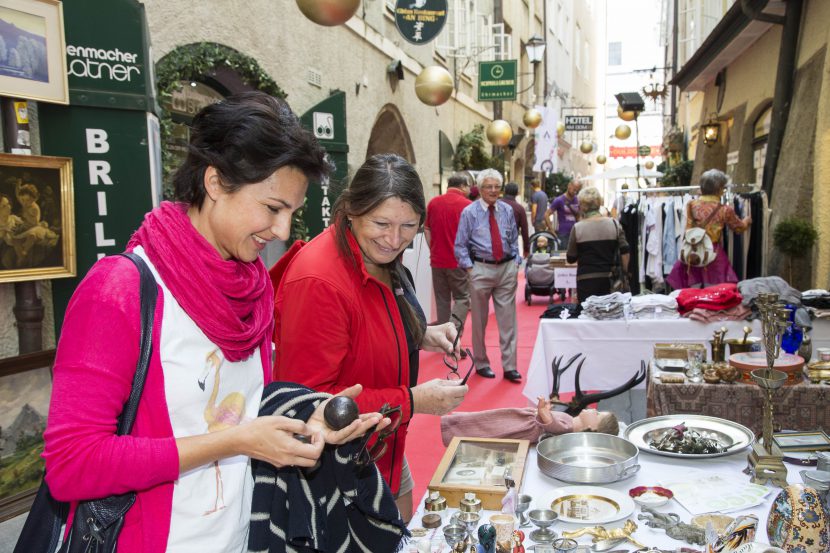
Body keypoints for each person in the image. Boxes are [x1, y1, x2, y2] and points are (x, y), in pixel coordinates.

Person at [42, 92, 386, 553]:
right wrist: (236, 441)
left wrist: (304, 420)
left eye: (292, 213)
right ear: (216, 182)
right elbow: (72, 465)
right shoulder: (120, 290)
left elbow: (242, 408)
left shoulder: (251, 288)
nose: (282, 231)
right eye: (272, 208)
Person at [272, 153, 469, 523]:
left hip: (382, 446)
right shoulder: (319, 281)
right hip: (338, 471)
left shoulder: (374, 253)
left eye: (409, 226)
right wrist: (412, 400)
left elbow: (365, 327)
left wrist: (421, 334)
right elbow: (309, 405)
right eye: (381, 223)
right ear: (350, 210)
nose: (394, 239)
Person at [454, 168, 522, 383]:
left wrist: (515, 261)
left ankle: (510, 366)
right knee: (479, 321)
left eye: (496, 186)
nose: (493, 190)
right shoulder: (469, 212)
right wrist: (471, 270)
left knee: (508, 321)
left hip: (506, 269)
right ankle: (482, 362)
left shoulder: (507, 210)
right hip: (480, 269)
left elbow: (513, 237)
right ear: (480, 189)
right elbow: (460, 245)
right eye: (488, 186)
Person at [666, 168, 751, 289]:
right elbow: (738, 228)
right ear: (719, 189)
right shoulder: (725, 210)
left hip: (693, 249)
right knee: (716, 290)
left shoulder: (691, 205)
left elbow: (688, 228)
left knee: (692, 290)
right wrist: (747, 221)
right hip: (712, 253)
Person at [440, 397, 620, 445]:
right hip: (523, 419)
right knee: (489, 420)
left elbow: (554, 428)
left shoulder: (569, 428)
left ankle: (454, 429)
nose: (594, 410)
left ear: (591, 428)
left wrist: (543, 411)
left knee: (489, 426)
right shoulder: (570, 420)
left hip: (523, 426)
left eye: (597, 415)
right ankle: (455, 425)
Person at [425, 172, 472, 344]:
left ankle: (443, 336)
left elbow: (427, 230)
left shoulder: (433, 203)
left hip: (437, 260)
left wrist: (434, 250)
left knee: (442, 299)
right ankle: (453, 335)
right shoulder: (468, 205)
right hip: (458, 261)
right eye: (468, 186)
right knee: (462, 298)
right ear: (463, 186)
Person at [566, 186, 629, 302]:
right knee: (611, 315)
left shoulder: (577, 228)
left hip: (586, 280)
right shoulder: (614, 225)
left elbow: (571, 258)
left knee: (587, 316)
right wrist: (624, 273)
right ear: (599, 203)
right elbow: (625, 252)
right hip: (611, 281)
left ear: (582, 206)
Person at [545, 179, 581, 249]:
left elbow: (578, 216)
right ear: (569, 186)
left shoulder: (577, 200)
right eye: (574, 189)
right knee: (563, 255)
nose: (575, 192)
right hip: (563, 234)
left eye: (577, 190)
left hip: (575, 233)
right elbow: (546, 214)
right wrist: (551, 230)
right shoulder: (559, 200)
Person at [500, 182, 530, 257]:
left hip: (493, 244)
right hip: (511, 244)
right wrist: (526, 249)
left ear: (504, 191)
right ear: (517, 193)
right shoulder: (519, 209)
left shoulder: (496, 204)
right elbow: (524, 231)